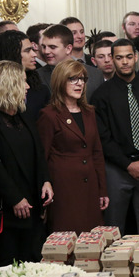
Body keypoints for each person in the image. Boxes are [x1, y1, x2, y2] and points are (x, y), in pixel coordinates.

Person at [0, 60, 53, 264]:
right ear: (8, 85)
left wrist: (45, 180)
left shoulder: (22, 116)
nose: (27, 87)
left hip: (33, 204)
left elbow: (38, 153)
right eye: (23, 82)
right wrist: (15, 198)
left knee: (33, 260)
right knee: (8, 264)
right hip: (7, 207)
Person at [92, 39, 139, 236]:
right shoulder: (101, 95)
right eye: (119, 58)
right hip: (116, 169)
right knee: (113, 228)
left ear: (136, 57)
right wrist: (127, 164)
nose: (124, 62)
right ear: (112, 60)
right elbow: (102, 136)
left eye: (128, 57)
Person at [37, 60, 108, 233]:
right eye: (73, 79)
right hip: (64, 188)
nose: (79, 83)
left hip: (90, 186)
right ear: (60, 82)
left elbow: (97, 152)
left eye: (82, 79)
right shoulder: (49, 115)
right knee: (66, 238)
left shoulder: (89, 112)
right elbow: (41, 157)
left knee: (91, 239)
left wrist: (102, 190)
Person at [0, 30, 51, 125]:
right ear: (12, 53)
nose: (34, 54)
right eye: (27, 50)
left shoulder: (41, 90)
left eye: (32, 49)